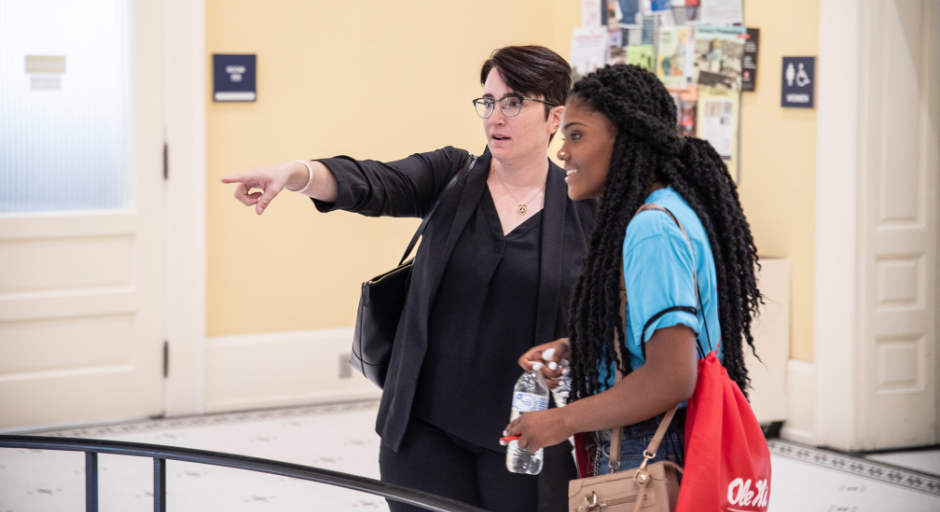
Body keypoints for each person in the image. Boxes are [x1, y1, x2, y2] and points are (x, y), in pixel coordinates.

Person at [221, 46, 598, 511]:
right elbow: (373, 182)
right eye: (489, 101)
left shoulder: (587, 210)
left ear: (553, 117)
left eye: (514, 101)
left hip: (525, 439)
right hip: (423, 429)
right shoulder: (452, 175)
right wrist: (296, 174)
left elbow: (605, 320)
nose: (495, 116)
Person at [505, 64, 761, 477]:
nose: (562, 150)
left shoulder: (651, 228)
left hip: (652, 451)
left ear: (624, 138)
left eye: (576, 134)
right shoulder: (676, 208)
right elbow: (673, 344)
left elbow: (671, 378)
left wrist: (561, 421)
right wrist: (582, 345)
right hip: (674, 441)